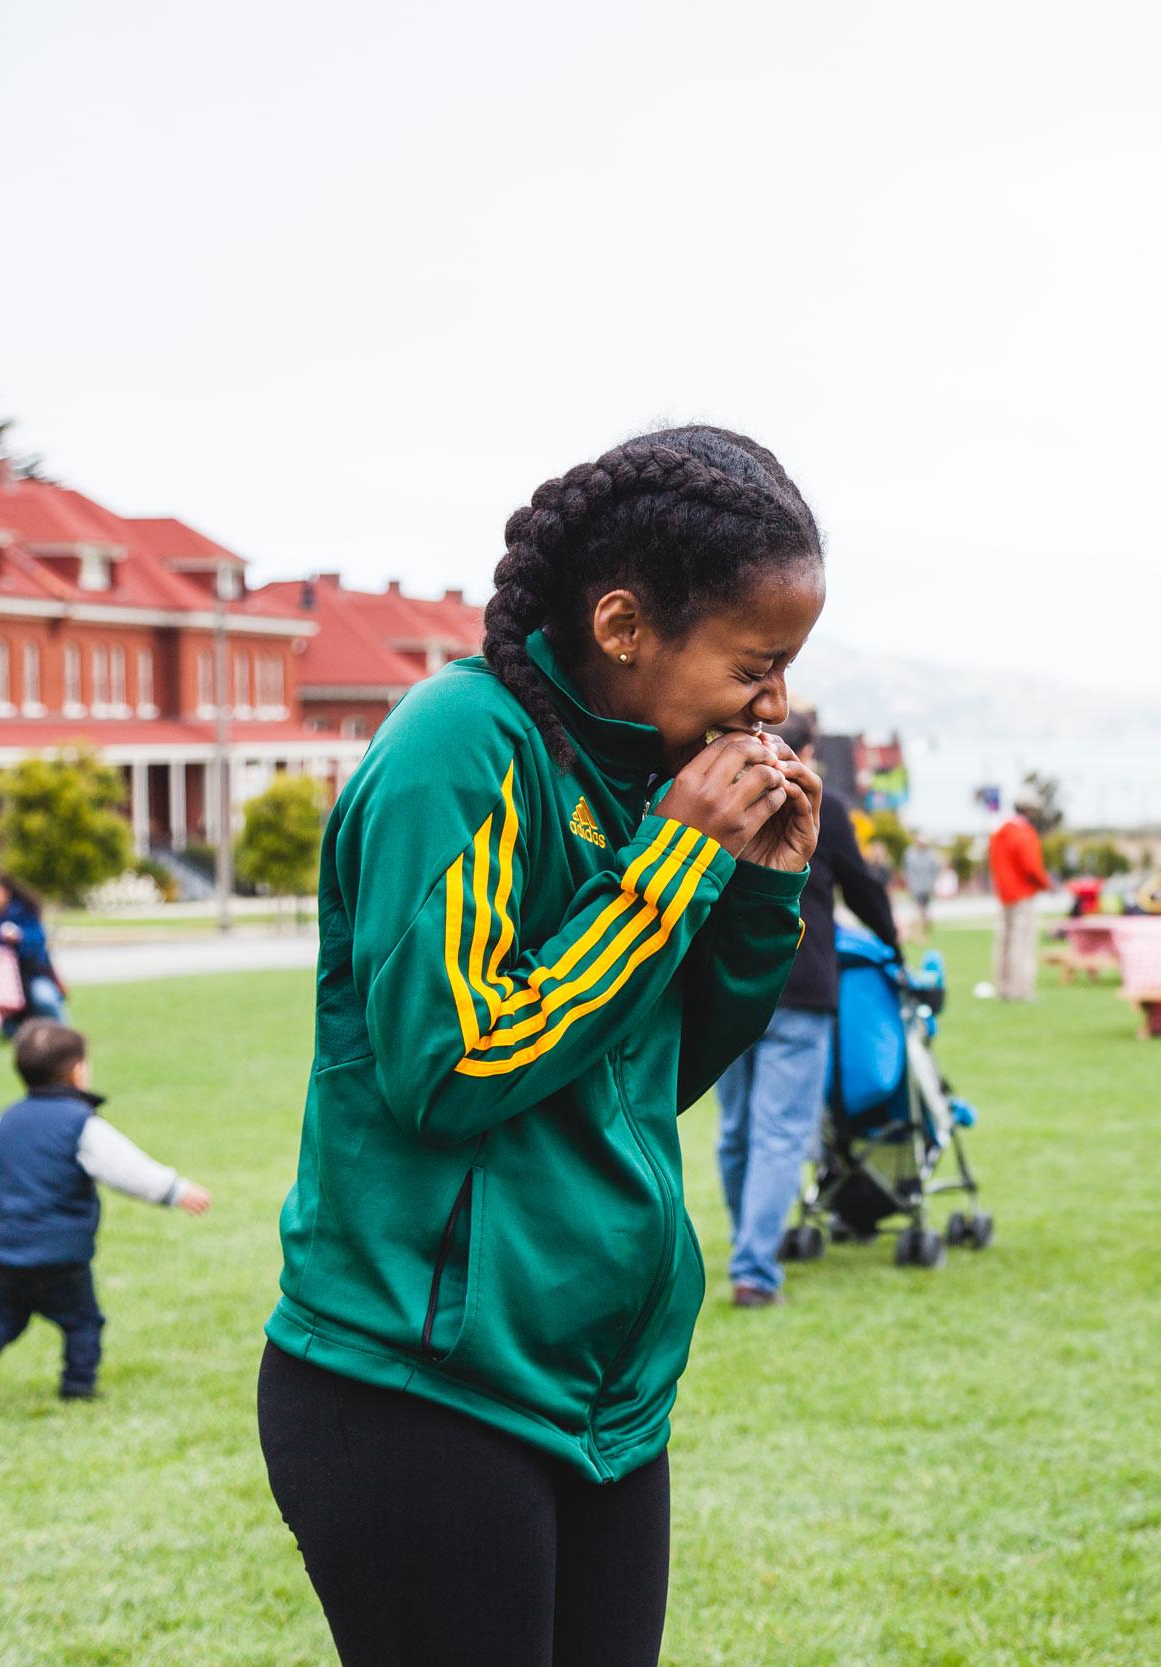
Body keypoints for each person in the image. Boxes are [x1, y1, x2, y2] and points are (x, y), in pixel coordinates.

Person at [257, 426, 826, 1667]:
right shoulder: (458, 745)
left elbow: (642, 1080)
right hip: (418, 1392)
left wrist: (758, 889)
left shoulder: (640, 775)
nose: (773, 705)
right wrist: (674, 859)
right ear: (624, 625)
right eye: (756, 662)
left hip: (602, 1396)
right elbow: (452, 1067)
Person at [715, 713, 898, 1310]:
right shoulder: (822, 804)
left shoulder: (714, 799)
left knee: (738, 1130)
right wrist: (894, 948)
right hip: (801, 980)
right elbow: (863, 888)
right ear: (810, 746)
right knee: (778, 1134)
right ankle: (753, 1268)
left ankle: (751, 1244)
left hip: (727, 984)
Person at [0, 1022, 209, 1411]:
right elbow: (127, 1168)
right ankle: (78, 1387)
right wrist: (174, 1190)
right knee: (82, 1321)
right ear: (78, 1071)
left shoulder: (5, 1120)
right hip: (59, 1257)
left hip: (3, 1250)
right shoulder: (80, 1123)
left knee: (0, 1316)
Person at [0, 867, 68, 1030]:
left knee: (44, 999)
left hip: (30, 974)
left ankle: (65, 1033)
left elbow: (38, 943)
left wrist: (19, 937)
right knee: (10, 1027)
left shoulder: (24, 912)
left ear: (5, 891)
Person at [987, 800, 1054, 1001]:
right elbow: (1031, 865)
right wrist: (1045, 883)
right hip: (1023, 893)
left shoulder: (998, 834)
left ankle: (1003, 987)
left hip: (1005, 894)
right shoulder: (1023, 833)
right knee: (1022, 943)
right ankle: (1020, 989)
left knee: (1005, 942)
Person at [902, 834, 942, 939]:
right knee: (917, 909)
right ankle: (918, 933)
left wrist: (931, 884)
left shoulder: (931, 855)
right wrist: (910, 883)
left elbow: (935, 870)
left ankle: (925, 929)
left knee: (925, 910)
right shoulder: (910, 854)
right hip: (915, 887)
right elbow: (907, 870)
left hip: (927, 887)